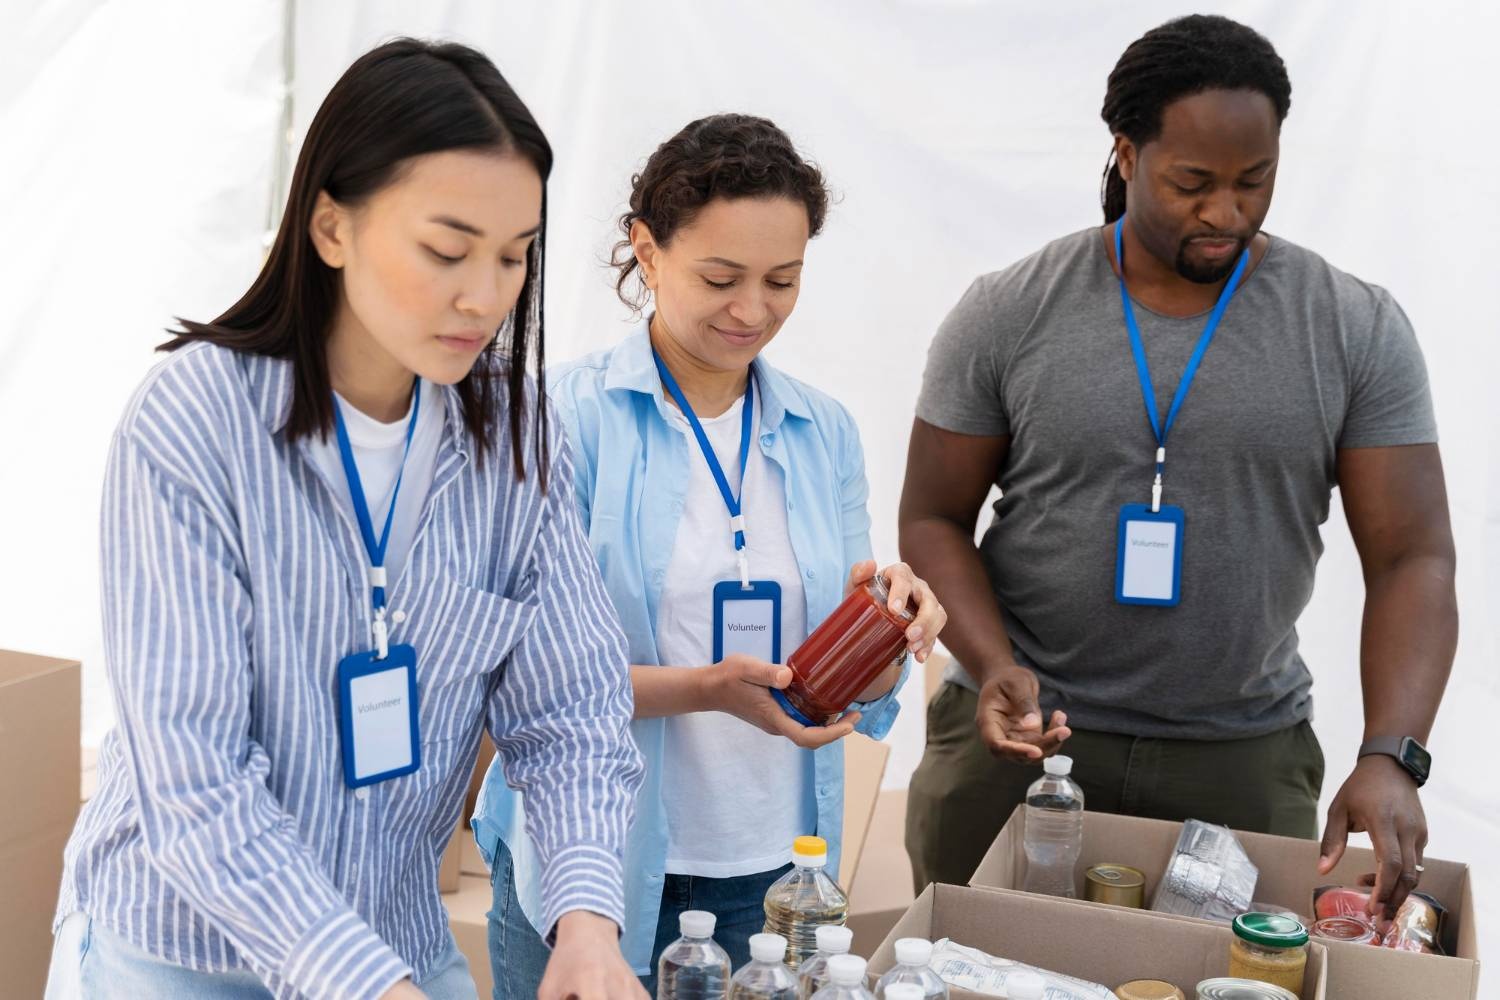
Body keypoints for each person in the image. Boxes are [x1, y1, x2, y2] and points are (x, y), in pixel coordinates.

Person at [45, 39, 644, 1000]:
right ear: (331, 225)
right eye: (446, 250)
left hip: (396, 939)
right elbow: (196, 780)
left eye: (514, 257)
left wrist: (585, 920)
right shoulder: (195, 421)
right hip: (186, 956)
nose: (484, 297)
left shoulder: (518, 432)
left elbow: (570, 713)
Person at [901, 14, 1455, 922]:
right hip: (1021, 746)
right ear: (1125, 154)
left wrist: (1393, 753)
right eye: (1192, 183)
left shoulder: (1353, 326)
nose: (1226, 213)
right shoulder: (1008, 309)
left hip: (1240, 758)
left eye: (1255, 180)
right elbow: (931, 516)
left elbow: (1414, 556)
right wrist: (993, 664)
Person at [474, 114, 945, 996]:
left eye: (783, 280)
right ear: (646, 253)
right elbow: (517, 682)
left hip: (776, 870)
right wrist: (704, 690)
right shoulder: (561, 421)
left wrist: (891, 638)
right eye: (720, 278)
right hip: (591, 867)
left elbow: (844, 682)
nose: (753, 310)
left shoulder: (822, 430)